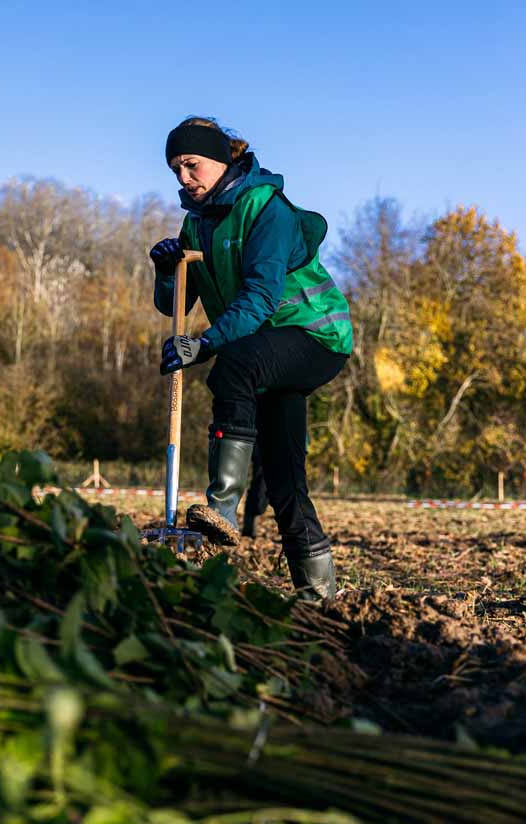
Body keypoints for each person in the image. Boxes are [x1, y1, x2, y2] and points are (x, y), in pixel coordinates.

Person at [150, 116, 352, 600]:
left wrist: (203, 346)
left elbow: (261, 298)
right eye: (176, 169)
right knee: (283, 477)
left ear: (221, 160)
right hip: (263, 347)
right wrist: (165, 270)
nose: (184, 178)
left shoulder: (266, 208)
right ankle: (319, 594)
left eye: (192, 165)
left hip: (312, 334)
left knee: (233, 367)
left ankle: (222, 508)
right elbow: (173, 302)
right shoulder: (195, 223)